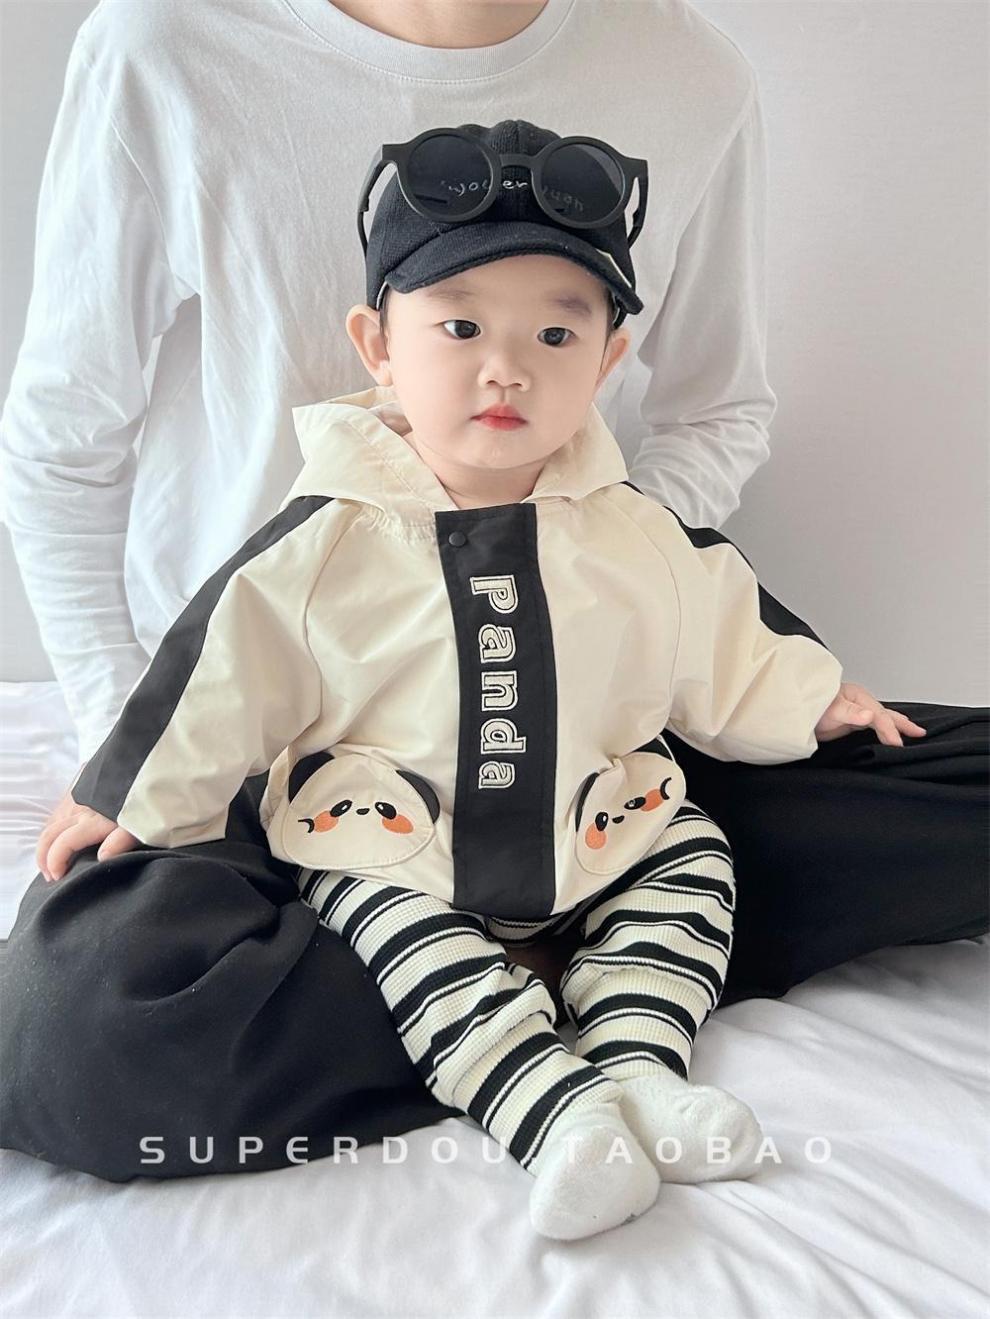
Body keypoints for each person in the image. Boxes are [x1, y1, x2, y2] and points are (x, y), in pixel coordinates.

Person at [1, 1, 985, 1188]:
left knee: (938, 774)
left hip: (594, 769)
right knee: (69, 1033)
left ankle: (612, 987)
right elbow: (69, 453)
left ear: (604, 354)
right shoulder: (167, 45)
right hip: (325, 783)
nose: (505, 368)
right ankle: (529, 1015)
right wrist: (126, 766)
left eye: (555, 339)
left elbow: (716, 475)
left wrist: (594, 577)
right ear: (378, 342)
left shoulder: (688, 72)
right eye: (460, 326)